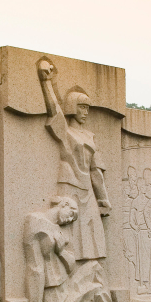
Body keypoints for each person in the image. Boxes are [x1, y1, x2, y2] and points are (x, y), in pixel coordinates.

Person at [36, 58, 112, 261]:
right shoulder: (66, 132)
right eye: (81, 107)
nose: (85, 112)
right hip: (70, 187)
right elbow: (54, 110)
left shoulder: (90, 136)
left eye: (87, 108)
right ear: (72, 107)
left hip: (87, 189)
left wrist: (103, 198)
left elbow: (96, 171)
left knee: (91, 236)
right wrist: (47, 82)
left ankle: (88, 274)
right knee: (71, 233)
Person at [17, 197, 127, 302]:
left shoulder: (58, 229)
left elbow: (70, 267)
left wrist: (61, 251)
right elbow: (35, 270)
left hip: (64, 288)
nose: (70, 220)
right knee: (96, 289)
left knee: (95, 267)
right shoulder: (34, 222)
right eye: (71, 214)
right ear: (64, 205)